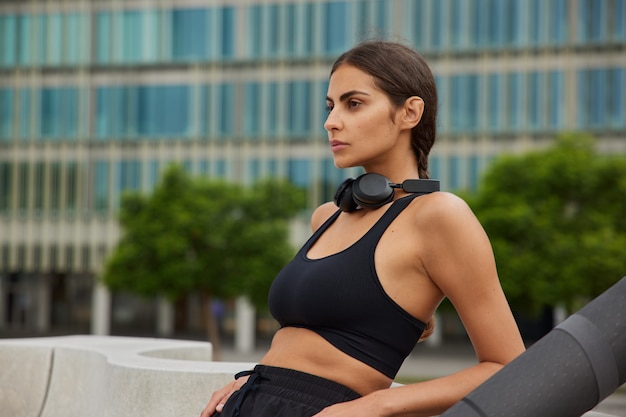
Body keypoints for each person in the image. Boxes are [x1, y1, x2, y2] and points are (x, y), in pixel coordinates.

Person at [200, 40, 525, 417]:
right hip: (249, 402)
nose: (331, 121)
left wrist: (376, 406)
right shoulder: (328, 216)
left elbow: (507, 366)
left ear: (410, 112)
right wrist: (254, 382)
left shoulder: (438, 216)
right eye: (330, 106)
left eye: (353, 103)